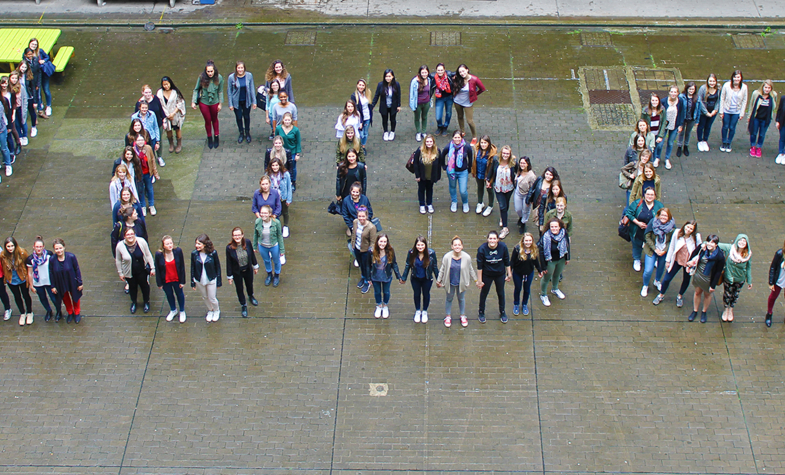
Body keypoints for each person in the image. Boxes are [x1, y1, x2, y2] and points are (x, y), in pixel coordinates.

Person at [652, 220, 701, 307]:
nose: (688, 229)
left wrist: (693, 263)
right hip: (676, 260)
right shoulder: (677, 233)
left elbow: (699, 251)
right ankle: (661, 295)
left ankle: (680, 296)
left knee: (686, 280)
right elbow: (672, 246)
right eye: (687, 227)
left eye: (691, 228)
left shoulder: (696, 238)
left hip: (688, 263)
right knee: (667, 278)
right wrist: (668, 260)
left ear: (693, 230)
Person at [436, 236, 477, 328]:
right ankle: (448, 316)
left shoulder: (466, 257)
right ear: (452, 246)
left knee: (461, 299)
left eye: (459, 245)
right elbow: (442, 269)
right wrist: (439, 280)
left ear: (462, 246)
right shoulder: (447, 257)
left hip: (462, 283)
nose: (457, 246)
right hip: (450, 283)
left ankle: (462, 315)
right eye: (455, 245)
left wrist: (476, 280)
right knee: (449, 299)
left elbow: (470, 269)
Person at [686, 235, 725, 323]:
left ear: (716, 245)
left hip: (709, 278)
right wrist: (690, 264)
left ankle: (704, 311)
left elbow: (718, 271)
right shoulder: (702, 248)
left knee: (707, 295)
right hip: (699, 275)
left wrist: (713, 285)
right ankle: (695, 310)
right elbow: (693, 254)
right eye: (709, 241)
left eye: (713, 242)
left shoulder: (720, 256)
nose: (710, 244)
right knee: (697, 292)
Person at [115, 227, 154, 315]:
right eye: (128, 234)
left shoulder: (141, 242)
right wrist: (120, 273)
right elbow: (118, 260)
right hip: (129, 272)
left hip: (142, 270)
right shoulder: (120, 246)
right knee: (132, 288)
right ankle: (134, 302)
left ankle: (146, 302)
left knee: (145, 286)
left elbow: (148, 254)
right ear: (124, 236)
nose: (130, 236)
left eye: (132, 234)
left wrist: (152, 267)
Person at [476, 230, 512, 323]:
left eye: (494, 239)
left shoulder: (503, 247)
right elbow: (479, 267)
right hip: (487, 275)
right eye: (490, 238)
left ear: (498, 240)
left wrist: (509, 273)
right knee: (484, 293)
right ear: (487, 239)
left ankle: (502, 312)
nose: (492, 240)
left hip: (499, 274)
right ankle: (481, 312)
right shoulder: (482, 249)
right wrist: (479, 280)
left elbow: (507, 261)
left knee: (500, 293)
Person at [401, 235, 438, 323]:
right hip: (415, 278)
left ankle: (424, 311)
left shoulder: (431, 253)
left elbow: (435, 267)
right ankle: (418, 311)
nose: (420, 247)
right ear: (415, 245)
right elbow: (407, 265)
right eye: (418, 245)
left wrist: (439, 279)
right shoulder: (411, 253)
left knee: (426, 294)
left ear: (425, 245)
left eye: (422, 245)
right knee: (416, 294)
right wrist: (404, 277)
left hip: (427, 278)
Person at [625, 187, 663, 272]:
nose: (650, 196)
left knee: (652, 244)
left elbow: (663, 217)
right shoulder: (637, 203)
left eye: (652, 194)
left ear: (655, 196)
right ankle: (637, 259)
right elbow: (629, 213)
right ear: (644, 195)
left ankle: (652, 259)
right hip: (637, 230)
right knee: (637, 245)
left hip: (652, 232)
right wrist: (638, 223)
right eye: (648, 194)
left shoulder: (659, 205)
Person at [640, 208, 675, 297]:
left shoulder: (672, 226)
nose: (663, 217)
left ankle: (657, 281)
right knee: (648, 270)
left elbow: (672, 240)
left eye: (666, 215)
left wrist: (665, 250)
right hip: (652, 249)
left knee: (661, 267)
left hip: (664, 251)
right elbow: (647, 237)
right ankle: (645, 285)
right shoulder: (653, 222)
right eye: (662, 215)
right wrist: (655, 249)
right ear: (658, 215)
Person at [718, 234, 752, 322]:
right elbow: (716, 244)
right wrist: (705, 243)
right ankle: (726, 309)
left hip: (740, 279)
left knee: (735, 295)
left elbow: (748, 267)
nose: (741, 242)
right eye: (740, 240)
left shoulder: (748, 254)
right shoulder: (730, 248)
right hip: (728, 277)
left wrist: (749, 281)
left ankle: (731, 309)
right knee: (727, 294)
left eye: (744, 241)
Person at [225, 227, 259, 317]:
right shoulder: (229, 248)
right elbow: (228, 262)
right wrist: (229, 276)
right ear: (232, 236)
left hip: (248, 269)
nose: (237, 237)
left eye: (239, 235)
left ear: (242, 235)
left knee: (249, 284)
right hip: (237, 272)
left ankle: (251, 296)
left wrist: (255, 266)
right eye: (235, 235)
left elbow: (252, 255)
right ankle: (243, 304)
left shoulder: (247, 242)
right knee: (239, 289)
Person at [191, 60, 224, 149]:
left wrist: (220, 104)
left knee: (214, 119)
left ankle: (216, 136)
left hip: (215, 102)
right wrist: (193, 101)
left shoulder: (219, 78)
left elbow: (220, 91)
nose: (210, 73)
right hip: (204, 102)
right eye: (208, 71)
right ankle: (209, 137)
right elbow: (196, 89)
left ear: (214, 70)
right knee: (207, 120)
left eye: (211, 71)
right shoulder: (201, 77)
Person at [48, 238, 83, 323]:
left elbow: (77, 269)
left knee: (75, 297)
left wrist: (80, 283)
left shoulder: (71, 257)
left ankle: (77, 312)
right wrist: (52, 286)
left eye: (60, 248)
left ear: (64, 247)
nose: (58, 250)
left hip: (71, 281)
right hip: (60, 282)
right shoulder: (52, 259)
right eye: (56, 248)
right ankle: (70, 312)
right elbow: (51, 273)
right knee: (65, 298)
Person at [154, 235, 187, 323]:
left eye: (171, 243)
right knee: (169, 295)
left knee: (179, 294)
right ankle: (173, 310)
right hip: (166, 280)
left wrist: (183, 281)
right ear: (163, 245)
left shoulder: (178, 251)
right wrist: (159, 283)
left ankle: (182, 311)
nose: (170, 245)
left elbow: (182, 267)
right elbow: (157, 268)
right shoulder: (159, 255)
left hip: (176, 279)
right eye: (167, 244)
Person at [370, 234, 402, 319]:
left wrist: (398, 276)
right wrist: (368, 278)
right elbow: (367, 266)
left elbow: (394, 264)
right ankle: (379, 306)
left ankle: (385, 306)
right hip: (375, 276)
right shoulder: (372, 251)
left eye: (384, 241)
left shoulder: (390, 251)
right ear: (377, 242)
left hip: (386, 276)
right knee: (377, 292)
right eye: (381, 241)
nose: (382, 244)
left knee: (386, 292)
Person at [539, 218, 570, 307]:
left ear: (559, 227)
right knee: (546, 277)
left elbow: (567, 246)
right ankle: (543, 294)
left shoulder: (564, 233)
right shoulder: (546, 237)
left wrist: (567, 258)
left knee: (557, 275)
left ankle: (555, 288)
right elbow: (541, 252)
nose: (554, 228)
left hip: (561, 259)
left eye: (556, 226)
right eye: (552, 227)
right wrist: (543, 266)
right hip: (550, 260)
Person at [488, 145, 517, 239]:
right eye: (504, 153)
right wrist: (488, 179)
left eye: (507, 153)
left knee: (506, 203)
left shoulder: (513, 162)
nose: (505, 155)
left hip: (509, 187)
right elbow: (492, 170)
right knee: (502, 205)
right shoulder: (496, 160)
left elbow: (517, 172)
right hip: (499, 187)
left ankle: (503, 216)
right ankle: (505, 228)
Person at [1, 237, 32, 325]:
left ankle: (29, 312)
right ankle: (22, 313)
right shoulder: (3, 255)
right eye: (8, 246)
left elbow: (28, 263)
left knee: (26, 295)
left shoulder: (22, 252)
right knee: (17, 296)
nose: (10, 248)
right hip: (11, 280)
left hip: (22, 278)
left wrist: (28, 277)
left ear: (15, 245)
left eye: (12, 246)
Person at [441, 129, 473, 213]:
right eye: (455, 137)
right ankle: (454, 201)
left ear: (461, 138)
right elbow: (442, 155)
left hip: (463, 172)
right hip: (452, 171)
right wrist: (444, 166)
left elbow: (470, 157)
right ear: (453, 138)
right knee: (452, 187)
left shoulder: (467, 146)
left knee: (463, 190)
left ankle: (465, 203)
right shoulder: (449, 146)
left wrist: (469, 168)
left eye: (459, 137)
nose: (457, 139)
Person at [190, 234, 222, 322]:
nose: (197, 246)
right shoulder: (194, 254)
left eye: (199, 244)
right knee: (204, 297)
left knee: (212, 297)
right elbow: (192, 267)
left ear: (204, 244)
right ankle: (210, 310)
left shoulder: (213, 253)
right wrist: (192, 282)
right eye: (196, 243)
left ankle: (216, 310)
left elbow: (217, 267)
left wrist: (219, 281)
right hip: (199, 280)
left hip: (211, 279)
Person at [511, 232, 543, 316]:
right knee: (517, 289)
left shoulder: (534, 249)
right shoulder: (517, 249)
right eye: (526, 240)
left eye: (530, 240)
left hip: (529, 273)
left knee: (527, 289)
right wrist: (509, 273)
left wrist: (540, 270)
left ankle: (524, 304)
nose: (528, 242)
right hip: (517, 273)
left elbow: (536, 261)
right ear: (523, 241)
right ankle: (516, 304)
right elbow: (512, 261)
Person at [26, 236, 57, 322]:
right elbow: (30, 273)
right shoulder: (30, 259)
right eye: (37, 247)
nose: (38, 248)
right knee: (43, 298)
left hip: (49, 281)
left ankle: (58, 311)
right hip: (38, 283)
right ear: (33, 247)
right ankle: (49, 311)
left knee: (54, 298)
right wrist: (31, 286)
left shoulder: (49, 254)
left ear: (43, 247)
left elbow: (54, 267)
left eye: (40, 247)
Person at [653, 85, 684, 170]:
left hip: (674, 125)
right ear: (669, 92)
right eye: (672, 91)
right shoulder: (663, 101)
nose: (673, 93)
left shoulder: (680, 101)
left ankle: (667, 158)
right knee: (660, 144)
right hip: (664, 126)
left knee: (670, 143)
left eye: (675, 92)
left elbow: (682, 113)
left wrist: (681, 125)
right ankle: (657, 157)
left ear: (678, 93)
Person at [253, 205, 285, 288]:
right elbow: (255, 234)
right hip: (262, 246)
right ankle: (269, 274)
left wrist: (282, 250)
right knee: (266, 260)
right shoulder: (258, 221)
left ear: (270, 214)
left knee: (276, 261)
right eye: (261, 213)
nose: (263, 215)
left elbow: (279, 236)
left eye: (265, 213)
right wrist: (254, 246)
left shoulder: (276, 222)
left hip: (274, 245)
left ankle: (277, 275)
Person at [452, 64, 486, 140]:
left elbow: (482, 89)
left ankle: (474, 137)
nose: (462, 73)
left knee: (469, 121)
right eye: (460, 72)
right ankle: (462, 131)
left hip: (468, 103)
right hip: (457, 101)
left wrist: (474, 95)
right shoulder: (457, 78)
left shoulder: (474, 79)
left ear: (467, 70)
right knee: (460, 116)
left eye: (463, 71)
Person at [227, 61, 257, 144]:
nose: (240, 69)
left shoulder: (249, 76)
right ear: (236, 68)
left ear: (244, 68)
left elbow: (252, 89)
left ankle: (247, 132)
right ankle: (241, 132)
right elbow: (229, 91)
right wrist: (230, 104)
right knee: (239, 117)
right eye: (238, 68)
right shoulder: (231, 77)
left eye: (242, 68)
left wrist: (254, 101)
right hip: (236, 101)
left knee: (246, 117)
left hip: (246, 100)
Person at [719, 70, 748, 153]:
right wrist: (721, 111)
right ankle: (724, 142)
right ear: (732, 77)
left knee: (732, 127)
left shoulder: (744, 87)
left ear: (741, 78)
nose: (736, 78)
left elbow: (744, 100)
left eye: (738, 77)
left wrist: (742, 113)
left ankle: (729, 142)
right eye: (735, 77)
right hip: (726, 110)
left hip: (736, 111)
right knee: (725, 126)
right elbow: (722, 98)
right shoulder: (726, 85)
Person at [747, 80, 777, 158]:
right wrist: (749, 116)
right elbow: (751, 105)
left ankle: (759, 147)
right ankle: (753, 146)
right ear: (762, 87)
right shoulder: (756, 94)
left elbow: (774, 107)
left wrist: (771, 97)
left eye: (769, 88)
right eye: (765, 87)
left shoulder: (773, 95)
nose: (767, 89)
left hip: (765, 119)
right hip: (756, 117)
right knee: (753, 132)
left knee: (762, 134)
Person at [132, 134, 160, 217]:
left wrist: (155, 173)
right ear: (135, 141)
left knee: (149, 189)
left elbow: (152, 160)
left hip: (148, 173)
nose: (140, 142)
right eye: (138, 140)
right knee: (140, 190)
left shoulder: (148, 148)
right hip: (138, 174)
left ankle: (151, 205)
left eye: (142, 140)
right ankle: (143, 206)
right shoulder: (133, 151)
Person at [157, 76, 186, 154]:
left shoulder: (175, 92)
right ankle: (171, 144)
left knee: (177, 129)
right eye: (164, 85)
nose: (166, 86)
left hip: (175, 114)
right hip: (166, 115)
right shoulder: (159, 93)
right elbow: (160, 104)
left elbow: (180, 103)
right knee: (168, 130)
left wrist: (173, 113)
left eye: (167, 84)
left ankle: (179, 144)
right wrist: (167, 115)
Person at [413, 134, 441, 214]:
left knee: (430, 189)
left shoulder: (437, 151)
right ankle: (422, 204)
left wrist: (438, 176)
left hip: (431, 175)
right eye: (427, 141)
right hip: (422, 176)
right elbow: (415, 164)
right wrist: (417, 175)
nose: (429, 143)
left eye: (430, 141)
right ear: (425, 142)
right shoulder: (420, 150)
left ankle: (429, 204)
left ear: (433, 142)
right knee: (421, 190)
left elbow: (439, 164)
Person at [371, 69, 401, 141]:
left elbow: (398, 95)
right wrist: (372, 105)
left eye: (389, 76)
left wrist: (399, 105)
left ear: (393, 76)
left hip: (393, 106)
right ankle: (385, 132)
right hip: (384, 105)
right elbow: (376, 95)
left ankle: (392, 132)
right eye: (386, 76)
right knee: (384, 119)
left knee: (393, 119)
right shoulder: (380, 85)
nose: (388, 78)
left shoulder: (396, 85)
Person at [470, 135, 497, 217]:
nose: (483, 144)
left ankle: (490, 206)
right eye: (481, 142)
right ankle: (480, 203)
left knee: (489, 190)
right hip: (478, 173)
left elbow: (493, 168)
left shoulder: (492, 155)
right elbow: (474, 161)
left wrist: (490, 179)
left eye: (485, 143)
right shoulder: (477, 150)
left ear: (488, 143)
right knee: (480, 187)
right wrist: (473, 171)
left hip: (488, 175)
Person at [351, 207, 376, 294]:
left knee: (367, 266)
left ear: (366, 216)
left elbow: (373, 241)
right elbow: (354, 233)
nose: (361, 218)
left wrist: (371, 251)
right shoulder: (355, 222)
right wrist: (352, 244)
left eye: (363, 216)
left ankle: (367, 281)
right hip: (357, 248)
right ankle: (363, 276)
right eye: (359, 216)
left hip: (366, 250)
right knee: (361, 264)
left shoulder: (371, 227)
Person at [526, 167, 559, 232]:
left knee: (546, 223)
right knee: (539, 223)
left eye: (550, 175)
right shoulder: (540, 179)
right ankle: (541, 236)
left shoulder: (554, 184)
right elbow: (532, 188)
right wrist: (528, 199)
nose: (548, 176)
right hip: (537, 205)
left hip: (547, 207)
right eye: (547, 174)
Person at [266, 158, 293, 238]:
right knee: (274, 213)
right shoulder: (267, 175)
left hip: (282, 197)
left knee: (285, 212)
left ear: (280, 165)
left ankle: (285, 226)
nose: (275, 167)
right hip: (272, 198)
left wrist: (289, 199)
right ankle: (275, 227)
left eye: (276, 165)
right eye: (273, 165)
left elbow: (289, 187)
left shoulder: (285, 174)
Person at [275, 112, 301, 189]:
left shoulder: (295, 130)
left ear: (291, 120)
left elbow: (298, 142)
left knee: (292, 167)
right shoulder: (278, 128)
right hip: (281, 151)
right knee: (281, 166)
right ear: (283, 120)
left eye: (288, 120)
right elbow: (276, 139)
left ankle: (293, 182)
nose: (287, 122)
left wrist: (298, 154)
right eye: (285, 120)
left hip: (292, 151)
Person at [131, 100, 161, 165]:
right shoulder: (134, 116)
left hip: (151, 138)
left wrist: (157, 141)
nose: (144, 109)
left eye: (146, 108)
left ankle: (151, 167)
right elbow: (133, 128)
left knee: (150, 153)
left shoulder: (152, 114)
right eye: (143, 108)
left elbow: (156, 127)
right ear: (139, 108)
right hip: (139, 139)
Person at [27, 38, 52, 118]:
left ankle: (48, 106)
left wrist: (43, 61)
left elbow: (47, 57)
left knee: (46, 90)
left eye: (35, 44)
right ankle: (40, 105)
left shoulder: (40, 51)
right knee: (37, 91)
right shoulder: (28, 52)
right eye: (32, 44)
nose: (33, 46)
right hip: (35, 75)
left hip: (43, 73)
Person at [696, 73, 720, 152]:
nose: (712, 83)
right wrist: (706, 112)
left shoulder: (719, 89)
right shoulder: (703, 88)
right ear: (707, 81)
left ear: (716, 82)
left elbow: (719, 100)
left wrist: (715, 110)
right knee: (701, 126)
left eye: (713, 81)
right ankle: (700, 141)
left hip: (713, 112)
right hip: (703, 113)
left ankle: (705, 140)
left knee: (708, 126)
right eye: (710, 81)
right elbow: (700, 101)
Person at [409, 65, 432, 142]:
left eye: (426, 72)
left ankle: (424, 131)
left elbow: (430, 92)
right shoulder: (415, 81)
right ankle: (418, 132)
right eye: (423, 72)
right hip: (418, 103)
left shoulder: (429, 80)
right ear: (420, 73)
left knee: (424, 117)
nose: (424, 74)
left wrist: (430, 101)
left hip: (426, 102)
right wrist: (412, 105)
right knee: (417, 117)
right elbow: (412, 94)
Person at [513, 156, 536, 234]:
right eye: (521, 163)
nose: (522, 165)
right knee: (518, 209)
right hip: (518, 192)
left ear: (527, 164)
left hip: (526, 195)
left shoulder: (531, 176)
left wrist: (531, 199)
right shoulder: (519, 170)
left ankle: (523, 223)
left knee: (525, 210)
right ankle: (521, 217)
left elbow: (533, 188)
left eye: (524, 163)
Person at [676, 82, 699, 157]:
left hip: (692, 118)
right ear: (687, 89)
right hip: (683, 118)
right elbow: (678, 108)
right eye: (690, 89)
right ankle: (679, 146)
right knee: (681, 132)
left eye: (693, 89)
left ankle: (686, 146)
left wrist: (697, 120)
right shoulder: (681, 97)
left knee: (688, 133)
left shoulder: (697, 98)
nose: (691, 90)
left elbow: (698, 109)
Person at [765, 239, 785, 327]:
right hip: (779, 280)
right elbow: (773, 267)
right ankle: (769, 314)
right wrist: (771, 282)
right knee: (773, 297)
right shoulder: (780, 254)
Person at [641, 93, 664, 164]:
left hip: (657, 133)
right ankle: (649, 161)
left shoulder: (662, 110)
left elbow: (663, 123)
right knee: (649, 148)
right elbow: (642, 122)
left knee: (658, 146)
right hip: (649, 134)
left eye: (656, 100)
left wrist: (660, 135)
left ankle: (656, 158)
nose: (654, 102)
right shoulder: (645, 110)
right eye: (653, 100)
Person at [432, 63, 454, 136]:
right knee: (438, 116)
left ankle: (445, 127)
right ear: (436, 70)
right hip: (439, 98)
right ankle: (439, 126)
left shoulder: (449, 75)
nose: (440, 71)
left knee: (448, 113)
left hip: (449, 97)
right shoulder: (433, 77)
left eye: (442, 70)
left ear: (444, 70)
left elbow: (459, 73)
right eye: (438, 70)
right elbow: (423, 75)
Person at [351, 79, 372, 148]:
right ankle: (357, 147)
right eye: (360, 85)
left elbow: (369, 105)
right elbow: (355, 109)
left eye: (363, 85)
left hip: (367, 117)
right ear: (357, 85)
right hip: (360, 118)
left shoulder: (367, 94)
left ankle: (363, 147)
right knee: (360, 134)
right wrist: (360, 121)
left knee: (365, 133)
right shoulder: (354, 96)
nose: (361, 87)